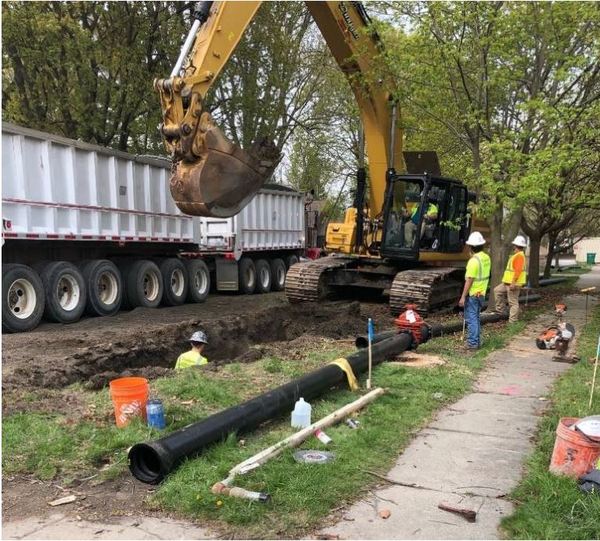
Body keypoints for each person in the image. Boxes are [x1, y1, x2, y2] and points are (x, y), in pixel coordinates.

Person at [458, 231, 491, 350]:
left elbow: (470, 280)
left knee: (471, 319)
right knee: (476, 317)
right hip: (482, 293)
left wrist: (462, 296)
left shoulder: (473, 261)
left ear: (471, 247)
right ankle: (476, 341)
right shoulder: (486, 258)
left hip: (473, 294)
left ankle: (472, 343)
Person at [494, 235, 528, 322]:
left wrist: (513, 283)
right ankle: (501, 311)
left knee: (513, 302)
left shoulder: (519, 256)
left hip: (513, 284)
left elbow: (517, 271)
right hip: (507, 282)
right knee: (497, 291)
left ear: (516, 245)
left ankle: (513, 321)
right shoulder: (517, 255)